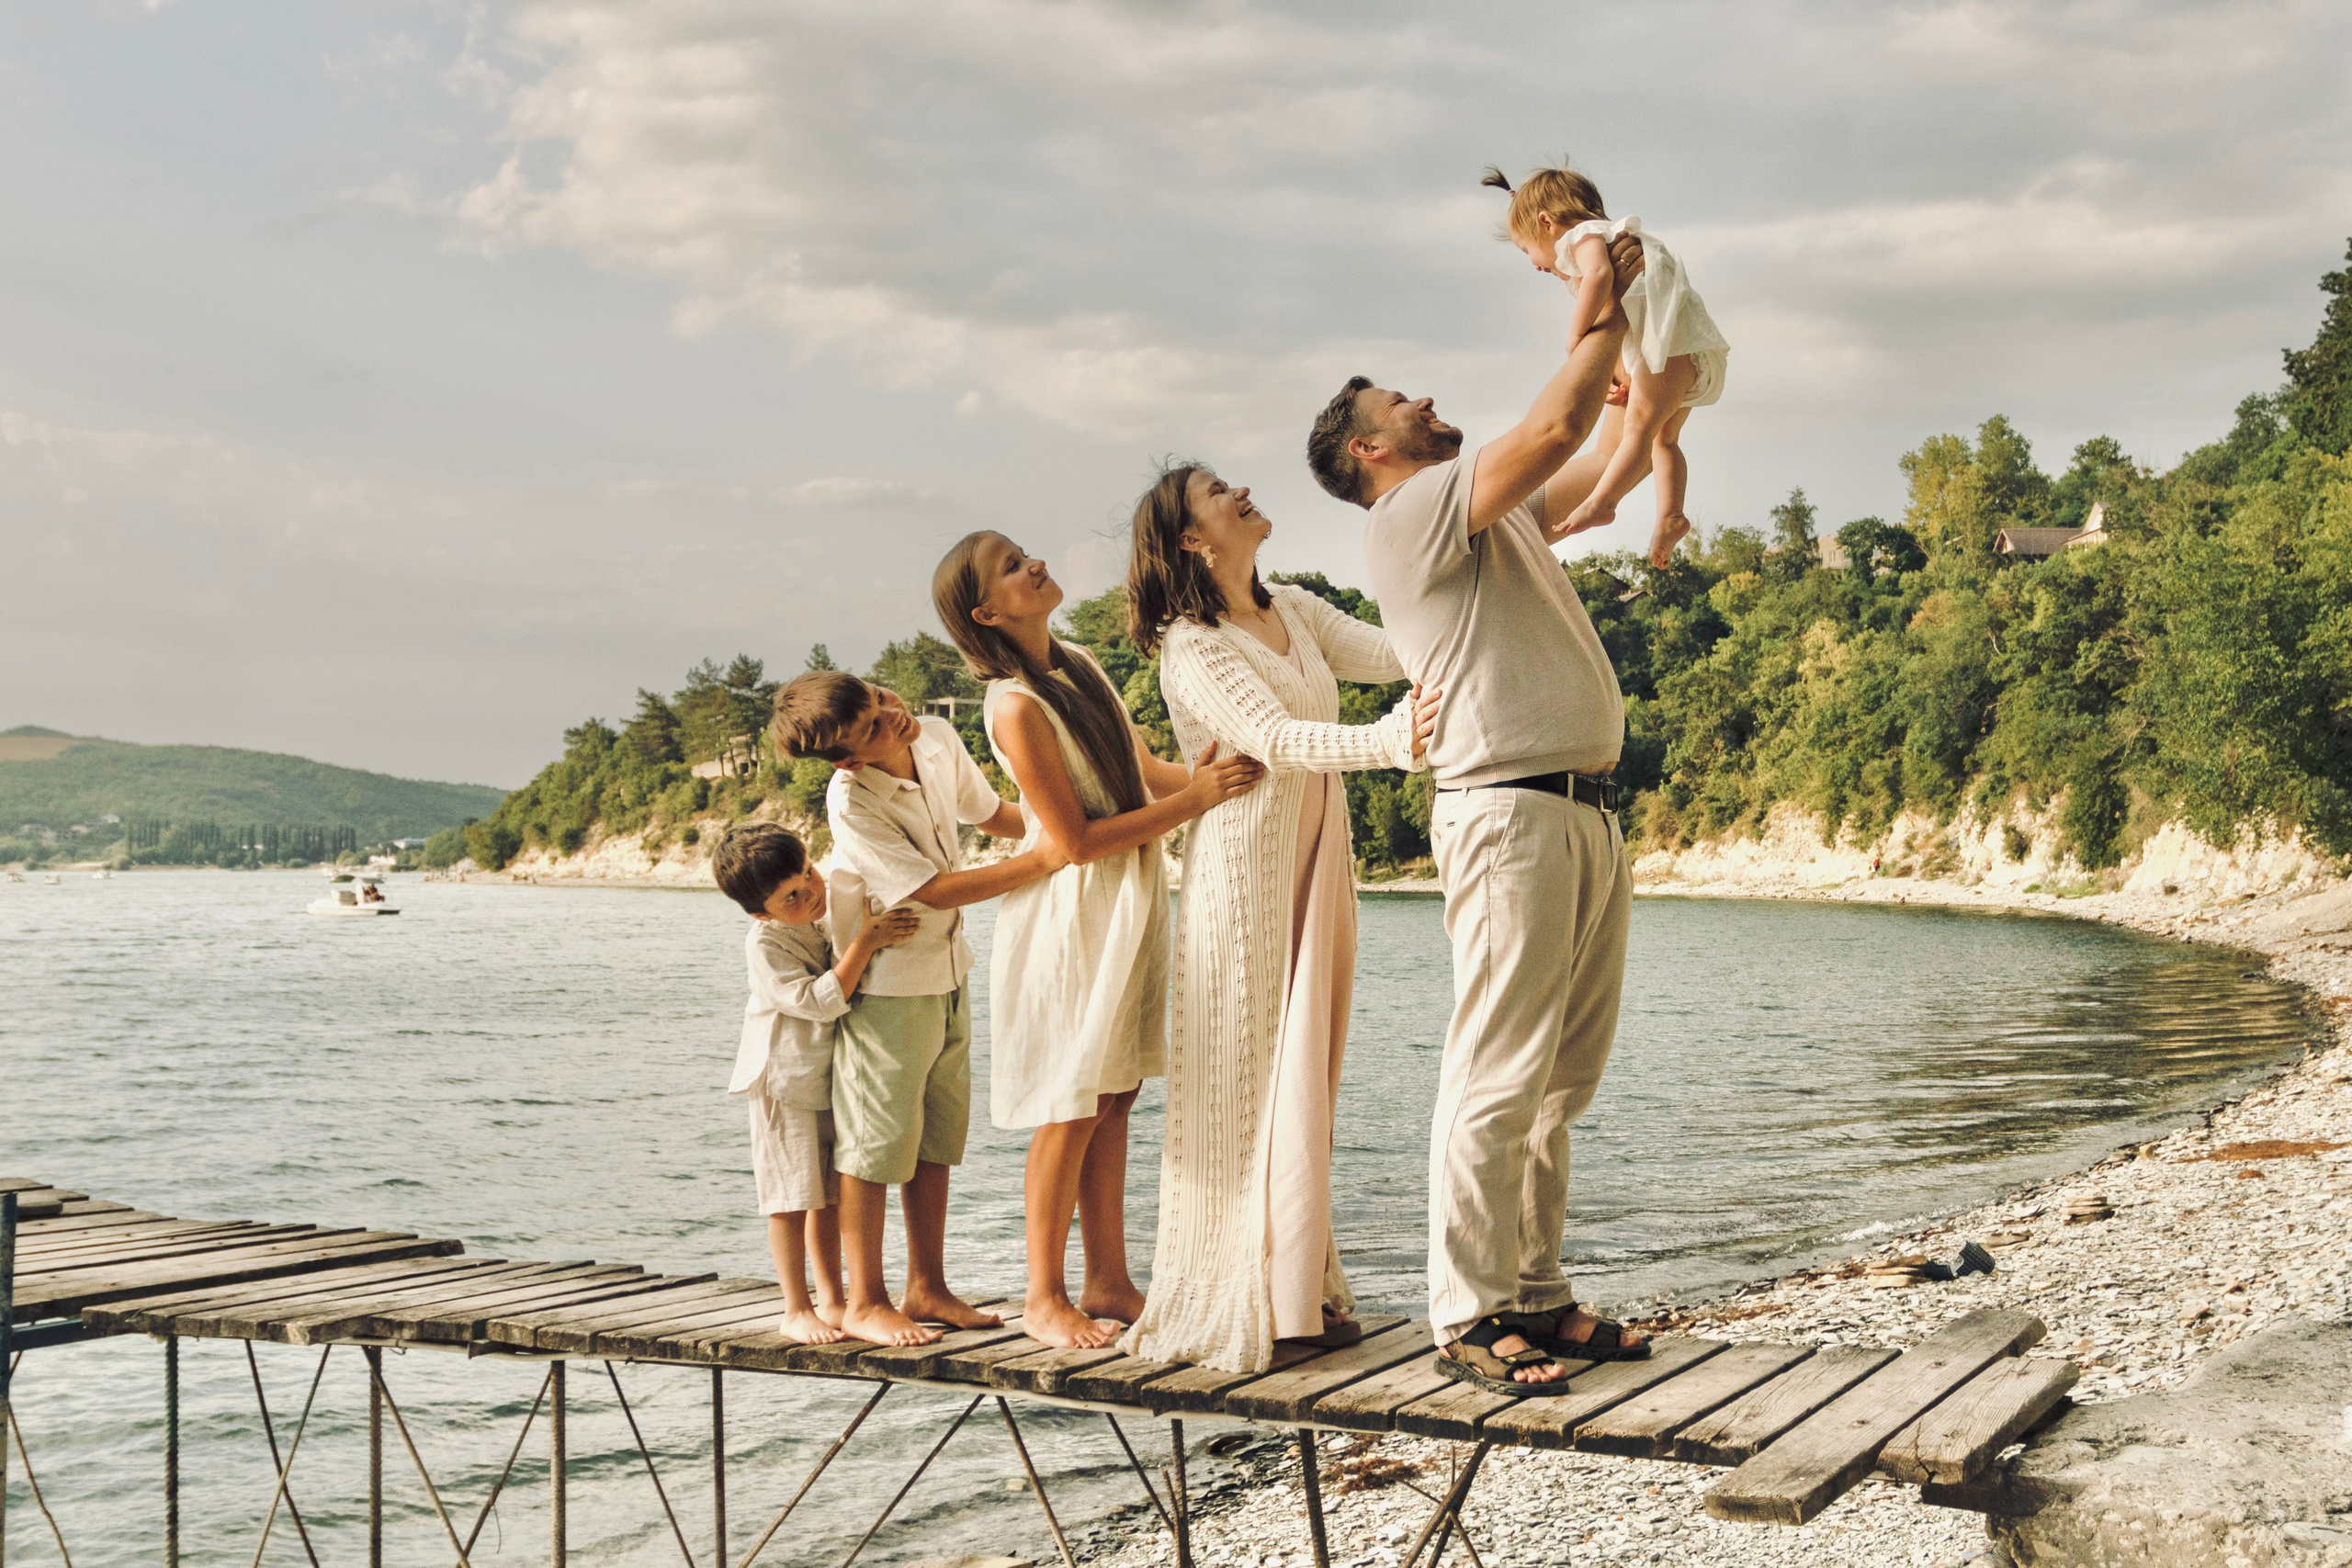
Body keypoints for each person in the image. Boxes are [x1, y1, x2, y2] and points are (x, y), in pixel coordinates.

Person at [1302, 221, 1652, 1395]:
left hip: (1580, 811)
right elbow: (1554, 425)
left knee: (1562, 1078)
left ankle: (1539, 1296)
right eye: (1404, 401)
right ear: (1367, 448)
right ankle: (1466, 1310)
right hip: (1506, 811)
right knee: (1499, 1068)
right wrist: (1590, 278)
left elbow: (1604, 475)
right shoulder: (1407, 517)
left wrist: (1646, 387)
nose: (1428, 401)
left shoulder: (1487, 515)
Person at [1119, 465, 1441, 1374]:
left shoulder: (1292, 606)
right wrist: (1391, 741)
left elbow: (1389, 654)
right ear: (1190, 538)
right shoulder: (1192, 644)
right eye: (1220, 491)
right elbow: (1278, 740)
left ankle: (1297, 1284)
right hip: (1245, 873)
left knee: (1309, 1066)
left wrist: (1461, 599)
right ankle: (1252, 1292)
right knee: (1252, 1074)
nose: (1243, 490)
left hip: (1314, 853)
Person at [933, 531, 1266, 1349]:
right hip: (1073, 913)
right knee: (1070, 1102)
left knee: (1116, 1094)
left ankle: (1108, 1278)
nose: (1034, 564)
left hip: (1131, 894)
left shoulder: (1075, 660)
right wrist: (1199, 801)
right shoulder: (1012, 703)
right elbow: (1073, 839)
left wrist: (1211, 775)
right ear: (985, 612)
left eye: (1025, 553)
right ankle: (1042, 1295)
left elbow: (1137, 761)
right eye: (1012, 568)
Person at [770, 672, 1065, 1348]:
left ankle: (926, 1284)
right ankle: (866, 1298)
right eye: (871, 727)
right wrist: (1046, 859)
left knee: (936, 1135)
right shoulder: (850, 799)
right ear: (846, 757)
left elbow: (992, 815)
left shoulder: (932, 734)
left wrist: (1071, 825)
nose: (891, 716)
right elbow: (932, 889)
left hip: (948, 966)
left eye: (882, 696)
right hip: (887, 981)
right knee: (876, 1143)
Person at [711, 821, 920, 1345]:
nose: (812, 891)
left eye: (809, 873)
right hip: (782, 1082)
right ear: (762, 911)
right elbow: (816, 1001)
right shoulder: (765, 943)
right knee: (788, 1197)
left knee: (826, 1194)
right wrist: (866, 943)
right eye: (792, 896)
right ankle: (794, 1306)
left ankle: (831, 1298)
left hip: (822, 1077)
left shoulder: (817, 919)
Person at [1482, 162, 1728, 568]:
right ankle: (1670, 515)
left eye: (1527, 249)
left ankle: (1603, 501)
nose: (1532, 263)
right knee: (1661, 440)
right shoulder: (1610, 238)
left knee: (1641, 427)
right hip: (1682, 348)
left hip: (1668, 347)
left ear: (1547, 222)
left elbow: (1599, 277)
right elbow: (1632, 314)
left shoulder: (1583, 236)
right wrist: (1616, 372)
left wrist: (1575, 337)